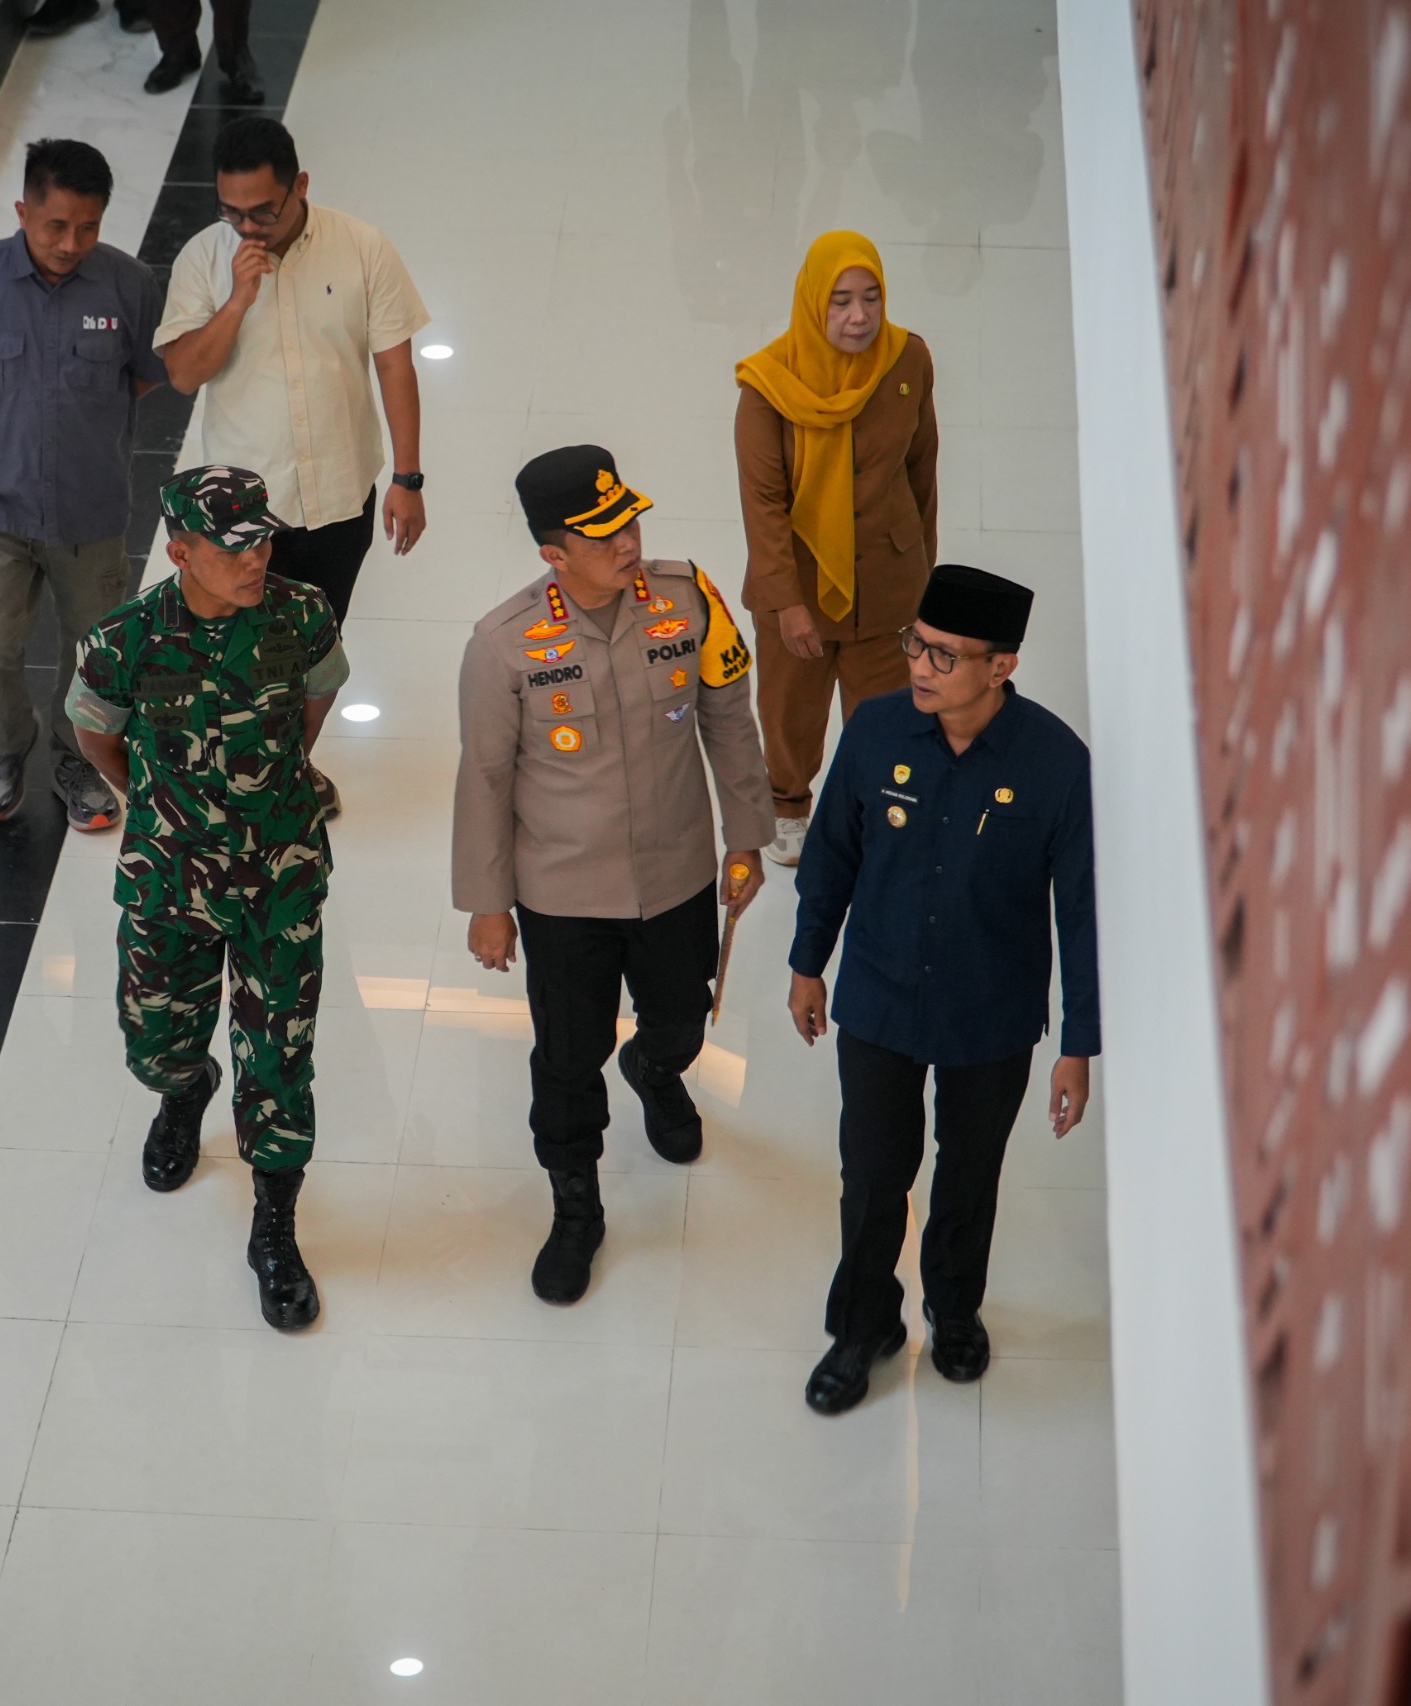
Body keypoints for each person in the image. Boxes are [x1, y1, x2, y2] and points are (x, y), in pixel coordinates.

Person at [453, 446, 776, 1305]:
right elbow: (483, 778)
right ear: (553, 554)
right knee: (568, 1057)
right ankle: (576, 1206)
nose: (628, 544)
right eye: (603, 536)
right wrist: (488, 904)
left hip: (677, 873)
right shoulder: (503, 644)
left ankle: (656, 1072)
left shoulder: (687, 598)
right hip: (563, 894)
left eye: (630, 523)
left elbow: (728, 718)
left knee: (681, 1019)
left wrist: (746, 837)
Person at [785, 563, 1098, 1412]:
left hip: (990, 1015)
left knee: (968, 1173)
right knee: (871, 1175)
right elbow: (832, 855)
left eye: (944, 655)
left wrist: (1078, 1046)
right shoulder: (876, 729)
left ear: (1002, 667)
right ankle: (862, 1327)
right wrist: (808, 962)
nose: (920, 667)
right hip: (879, 998)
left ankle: (954, 1310)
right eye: (916, 645)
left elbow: (1081, 913)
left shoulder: (1056, 765)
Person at [68, 465, 348, 1331]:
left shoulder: (302, 614)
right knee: (154, 1043)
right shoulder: (123, 641)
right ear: (181, 552)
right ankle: (184, 1091)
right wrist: (163, 802)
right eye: (232, 549)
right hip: (170, 879)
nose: (256, 559)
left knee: (280, 1064)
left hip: (279, 876)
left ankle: (275, 1225)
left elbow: (316, 699)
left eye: (261, 541)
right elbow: (97, 738)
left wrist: (273, 784)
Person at [156, 116, 428, 823]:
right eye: (232, 212)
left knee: (316, 650)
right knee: (236, 653)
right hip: (242, 515)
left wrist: (408, 478)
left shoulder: (361, 246)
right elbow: (183, 373)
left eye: (263, 212)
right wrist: (238, 299)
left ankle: (289, 769)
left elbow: (394, 365)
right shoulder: (204, 259)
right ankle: (232, 776)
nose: (248, 228)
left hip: (339, 494)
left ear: (299, 186)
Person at [0, 138, 165, 828]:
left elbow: (142, 377)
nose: (71, 243)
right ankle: (6, 747)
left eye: (88, 227)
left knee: (94, 651)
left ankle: (76, 758)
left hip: (91, 512)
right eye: (56, 225)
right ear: (23, 212)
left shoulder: (130, 285)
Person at [735, 230, 939, 868]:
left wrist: (925, 577)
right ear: (812, 302)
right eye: (841, 301)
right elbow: (763, 505)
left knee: (886, 717)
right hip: (797, 584)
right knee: (790, 715)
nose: (859, 316)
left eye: (871, 298)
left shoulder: (908, 360)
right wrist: (787, 603)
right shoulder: (767, 385)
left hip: (888, 581)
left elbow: (922, 471)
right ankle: (787, 803)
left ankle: (876, 809)